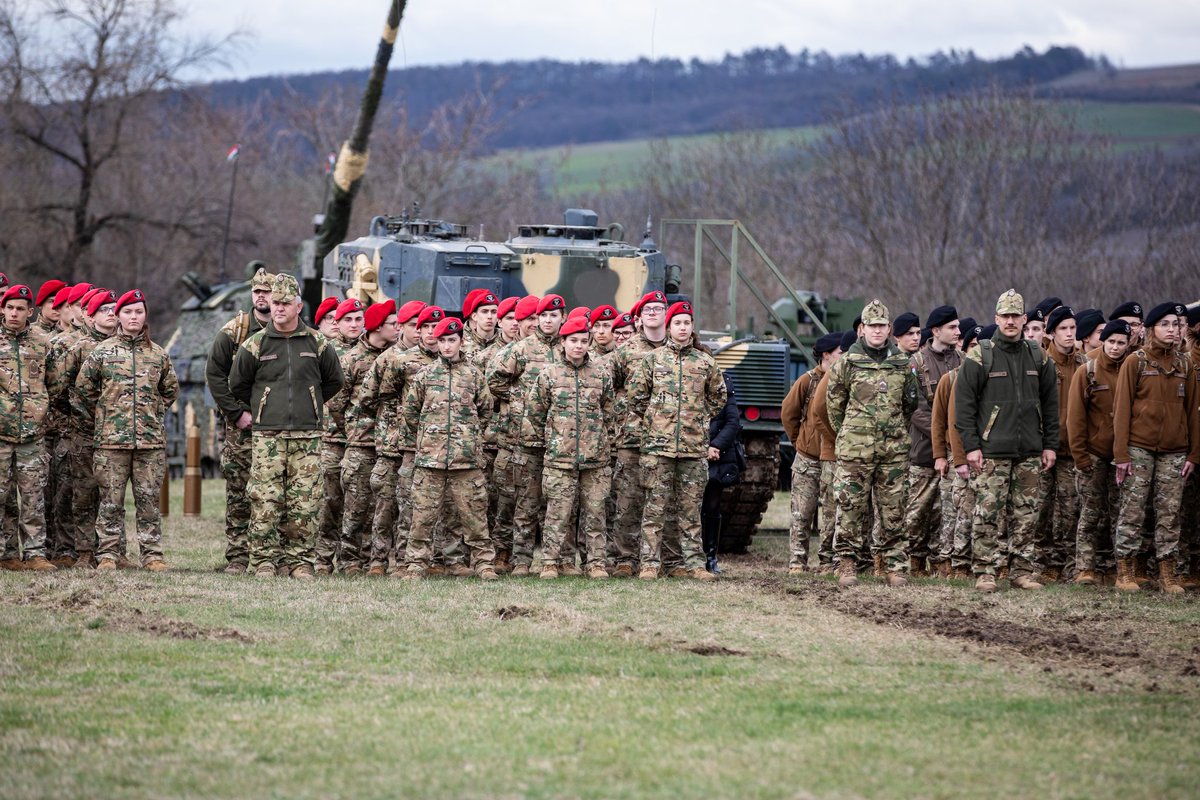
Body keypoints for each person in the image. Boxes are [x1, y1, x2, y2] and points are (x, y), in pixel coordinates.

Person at [229, 274, 344, 580]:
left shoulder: (318, 343)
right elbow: (238, 384)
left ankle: (300, 561)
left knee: (304, 501)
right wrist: (263, 404)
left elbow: (334, 381)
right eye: (275, 303)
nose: (278, 308)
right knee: (265, 498)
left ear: (298, 305)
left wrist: (311, 402)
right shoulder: (255, 344)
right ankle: (264, 560)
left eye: (284, 303)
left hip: (307, 434)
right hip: (268, 434)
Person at [956, 289, 1059, 593]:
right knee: (987, 513)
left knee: (1027, 514)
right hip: (991, 450)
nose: (1011, 321)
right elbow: (963, 406)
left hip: (1029, 449)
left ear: (1025, 319)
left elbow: (1052, 404)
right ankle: (985, 571)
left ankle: (1022, 571)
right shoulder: (980, 355)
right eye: (1006, 316)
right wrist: (971, 446)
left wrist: (1050, 443)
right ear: (996, 318)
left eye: (1016, 315)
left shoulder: (1038, 356)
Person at [75, 289, 178, 571]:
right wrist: (106, 415)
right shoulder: (103, 352)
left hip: (149, 443)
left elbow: (169, 391)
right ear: (118, 316)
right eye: (128, 312)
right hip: (110, 442)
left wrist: (152, 414)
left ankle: (152, 555)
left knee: (149, 502)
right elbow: (84, 390)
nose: (133, 317)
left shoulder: (157, 354)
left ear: (145, 316)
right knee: (110, 502)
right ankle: (107, 554)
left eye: (138, 312)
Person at [627, 300, 727, 581]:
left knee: (689, 510)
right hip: (658, 447)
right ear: (669, 327)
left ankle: (694, 563)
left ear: (692, 327)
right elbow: (636, 396)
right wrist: (654, 419)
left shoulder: (705, 362)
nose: (682, 328)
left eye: (687, 323)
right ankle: (649, 563)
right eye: (677, 323)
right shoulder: (654, 360)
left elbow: (718, 397)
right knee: (655, 508)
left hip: (693, 449)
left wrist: (699, 417)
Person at [826, 299, 920, 588]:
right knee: (851, 508)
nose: (877, 331)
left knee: (894, 510)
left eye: (882, 326)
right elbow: (834, 407)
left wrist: (892, 433)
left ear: (890, 329)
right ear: (862, 329)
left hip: (892, 450)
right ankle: (846, 564)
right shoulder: (847, 363)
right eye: (872, 326)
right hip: (855, 450)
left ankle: (895, 566)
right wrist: (853, 433)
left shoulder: (902, 364)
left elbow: (909, 404)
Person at [399, 316, 498, 580]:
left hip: (466, 461)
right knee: (422, 516)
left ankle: (484, 563)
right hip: (431, 460)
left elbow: (486, 409)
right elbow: (410, 412)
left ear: (461, 341)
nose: (446, 346)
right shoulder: (426, 375)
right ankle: (416, 564)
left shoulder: (474, 375)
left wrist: (468, 437)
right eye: (442, 341)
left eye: (451, 340)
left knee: (474, 515)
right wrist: (429, 438)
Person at [1111, 302, 1199, 594]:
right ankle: (1125, 570)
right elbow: (1121, 410)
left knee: (1169, 514)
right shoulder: (1135, 361)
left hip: (1175, 451)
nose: (1172, 330)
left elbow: (1192, 413)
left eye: (1176, 324)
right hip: (1138, 448)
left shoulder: (1185, 364)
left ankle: (1168, 573)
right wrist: (1121, 454)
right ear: (1151, 330)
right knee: (1133, 511)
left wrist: (1194, 453)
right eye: (1165, 324)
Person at [524, 315, 615, 578]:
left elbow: (610, 412)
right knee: (557, 514)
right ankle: (550, 562)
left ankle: (595, 563)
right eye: (573, 340)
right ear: (563, 342)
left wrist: (599, 439)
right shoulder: (549, 374)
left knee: (596, 513)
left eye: (583, 341)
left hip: (595, 459)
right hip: (559, 459)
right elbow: (535, 412)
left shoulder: (600, 374)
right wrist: (554, 439)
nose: (578, 346)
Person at [352, 301, 435, 576]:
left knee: (415, 505)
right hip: (391, 445)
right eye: (413, 326)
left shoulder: (438, 358)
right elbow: (368, 397)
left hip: (423, 446)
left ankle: (406, 559)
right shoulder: (389, 359)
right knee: (385, 504)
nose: (419, 331)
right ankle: (377, 560)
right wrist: (390, 421)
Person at [487, 294, 564, 575]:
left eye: (551, 315)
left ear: (561, 318)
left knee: (556, 504)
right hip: (526, 438)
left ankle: (558, 560)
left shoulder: (569, 348)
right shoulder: (521, 349)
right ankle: (519, 559)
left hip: (560, 441)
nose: (544, 321)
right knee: (524, 502)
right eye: (539, 316)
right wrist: (520, 400)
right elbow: (493, 379)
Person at [205, 266, 273, 574]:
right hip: (242, 427)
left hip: (279, 425)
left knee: (277, 492)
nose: (262, 297)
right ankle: (238, 556)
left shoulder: (292, 330)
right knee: (239, 491)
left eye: (268, 292)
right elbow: (215, 375)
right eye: (257, 292)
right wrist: (236, 413)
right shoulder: (234, 331)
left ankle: (273, 556)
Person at [47, 289, 121, 568]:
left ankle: (113, 551)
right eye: (105, 309)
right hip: (83, 431)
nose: (112, 313)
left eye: (114, 308)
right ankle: (81, 550)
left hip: (114, 433)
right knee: (80, 492)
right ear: (90, 315)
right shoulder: (76, 346)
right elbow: (57, 389)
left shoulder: (124, 346)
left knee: (111, 495)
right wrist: (79, 416)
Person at [604, 290, 671, 577]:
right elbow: (608, 386)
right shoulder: (626, 351)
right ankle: (625, 558)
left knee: (664, 502)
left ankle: (664, 560)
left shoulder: (678, 348)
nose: (654, 313)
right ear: (640, 317)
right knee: (627, 501)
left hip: (668, 440)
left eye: (659, 308)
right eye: (648, 309)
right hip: (632, 438)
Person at [1066, 319, 1131, 586]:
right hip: (1093, 453)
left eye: (1121, 343)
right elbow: (1075, 418)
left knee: (1120, 513)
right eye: (1111, 342)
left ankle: (1118, 568)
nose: (1115, 348)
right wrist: (1080, 456)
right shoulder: (1088, 371)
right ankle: (1085, 567)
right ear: (1102, 341)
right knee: (1090, 512)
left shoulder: (1132, 369)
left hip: (1122, 456)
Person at [338, 300, 398, 574]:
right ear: (378, 327)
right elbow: (336, 403)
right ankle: (350, 560)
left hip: (389, 444)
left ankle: (377, 559)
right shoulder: (351, 360)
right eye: (392, 324)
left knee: (383, 507)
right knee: (356, 505)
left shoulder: (397, 357)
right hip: (361, 442)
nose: (397, 328)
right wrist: (354, 427)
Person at [902, 305, 962, 576]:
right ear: (936, 331)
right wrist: (946, 435)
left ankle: (943, 562)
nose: (958, 332)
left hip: (955, 452)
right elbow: (915, 410)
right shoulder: (917, 363)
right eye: (952, 327)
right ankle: (916, 561)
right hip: (925, 450)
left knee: (949, 510)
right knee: (919, 511)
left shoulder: (963, 360)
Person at [0, 285, 56, 571]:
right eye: (9, 307)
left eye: (20, 308)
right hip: (1, 432)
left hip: (32, 433)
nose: (14, 313)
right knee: (2, 496)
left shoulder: (42, 342)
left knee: (33, 496)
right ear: (2, 308)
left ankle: (35, 553)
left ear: (30, 312)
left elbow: (55, 382)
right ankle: (6, 554)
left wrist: (41, 411)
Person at [781, 332, 841, 574]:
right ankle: (797, 561)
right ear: (826, 355)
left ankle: (827, 561)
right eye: (840, 353)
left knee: (831, 513)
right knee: (801, 513)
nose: (843, 357)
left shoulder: (842, 379)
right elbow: (788, 413)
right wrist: (799, 442)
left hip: (833, 458)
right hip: (807, 458)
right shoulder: (807, 381)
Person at [315, 298, 365, 571]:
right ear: (338, 323)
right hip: (330, 437)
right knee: (330, 500)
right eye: (348, 319)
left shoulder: (374, 351)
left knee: (359, 502)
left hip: (362, 439)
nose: (354, 325)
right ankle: (322, 557)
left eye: (359, 319)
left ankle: (352, 558)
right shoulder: (324, 351)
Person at [1039, 305, 1084, 582]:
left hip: (1071, 450)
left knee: (1070, 511)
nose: (1069, 334)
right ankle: (1041, 565)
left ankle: (1066, 566)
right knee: (1039, 510)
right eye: (1063, 329)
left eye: (1072, 328)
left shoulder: (1084, 364)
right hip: (1044, 448)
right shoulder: (1042, 363)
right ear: (1052, 333)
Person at [703, 374, 741, 574]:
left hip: (718, 455)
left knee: (712, 506)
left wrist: (715, 445)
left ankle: (710, 557)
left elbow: (733, 421)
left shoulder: (724, 384)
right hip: (689, 450)